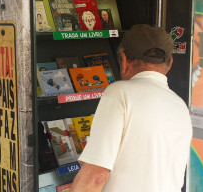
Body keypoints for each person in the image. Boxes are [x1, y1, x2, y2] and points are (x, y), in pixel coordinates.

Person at [70, 24, 192, 192]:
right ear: (169, 63)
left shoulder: (119, 93)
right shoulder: (180, 106)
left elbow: (96, 177)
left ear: (124, 59)